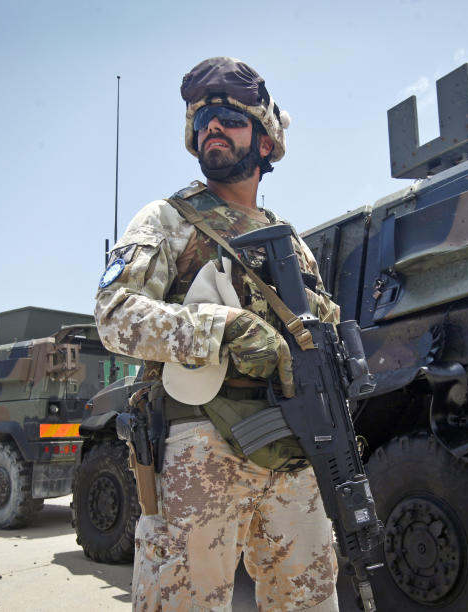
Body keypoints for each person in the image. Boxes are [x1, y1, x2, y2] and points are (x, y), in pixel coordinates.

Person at [95, 57, 340, 611]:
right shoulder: (168, 219)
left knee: (311, 599)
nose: (213, 126)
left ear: (265, 138)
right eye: (203, 118)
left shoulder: (291, 243)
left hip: (293, 450)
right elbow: (114, 314)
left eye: (229, 116)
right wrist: (221, 328)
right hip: (200, 448)